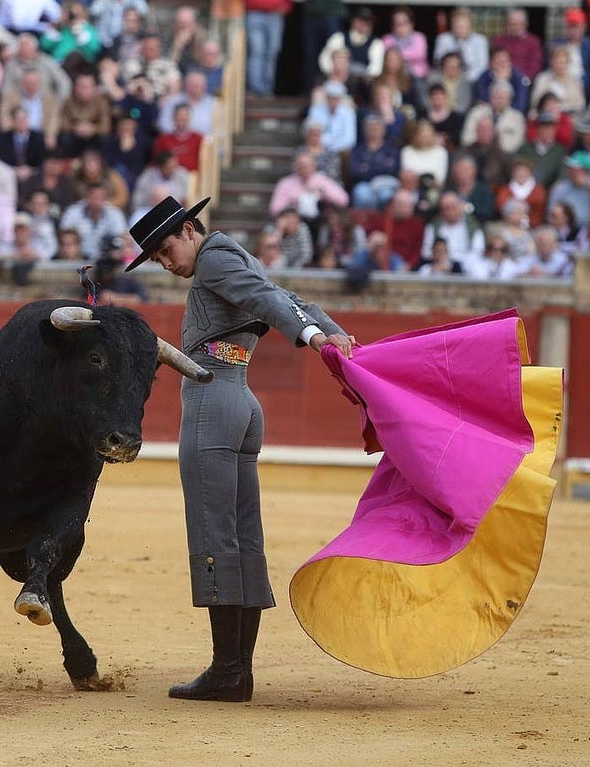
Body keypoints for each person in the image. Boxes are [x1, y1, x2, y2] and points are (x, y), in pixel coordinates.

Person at [125, 194, 354, 703]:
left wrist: (316, 339)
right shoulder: (236, 257)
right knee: (243, 536)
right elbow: (284, 296)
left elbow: (270, 303)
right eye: (156, 259)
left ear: (189, 230)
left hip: (213, 400)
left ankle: (227, 670)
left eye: (166, 250)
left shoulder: (213, 260)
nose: (166, 264)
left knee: (215, 534)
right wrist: (331, 330)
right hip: (242, 400)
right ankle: (237, 671)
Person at [546, 150, 590, 231]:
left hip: (586, 229)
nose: (571, 172)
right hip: (561, 228)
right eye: (570, 168)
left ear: (585, 171)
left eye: (575, 169)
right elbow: (550, 211)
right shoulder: (561, 186)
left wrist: (589, 186)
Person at [432, 7, 489, 82]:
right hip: (447, 78)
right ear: (452, 26)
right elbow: (438, 61)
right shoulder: (443, 39)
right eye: (458, 26)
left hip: (473, 79)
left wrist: (465, 79)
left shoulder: (480, 40)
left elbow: (482, 66)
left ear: (470, 26)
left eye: (463, 26)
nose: (460, 30)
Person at [491, 7, 543, 80]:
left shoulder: (534, 41)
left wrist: (521, 79)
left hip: (525, 79)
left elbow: (535, 66)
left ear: (525, 24)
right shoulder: (499, 40)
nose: (515, 27)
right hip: (501, 77)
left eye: (518, 24)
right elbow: (494, 63)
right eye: (512, 24)